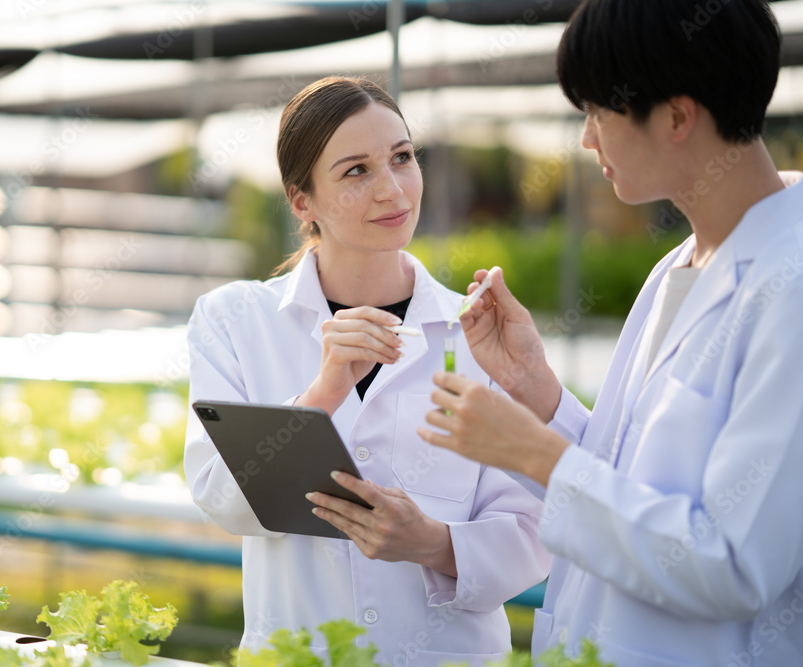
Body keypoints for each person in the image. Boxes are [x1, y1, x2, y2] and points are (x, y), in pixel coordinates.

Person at [418, 0, 803, 665]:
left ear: (679, 117)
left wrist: (534, 453)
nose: (586, 139)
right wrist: (537, 394)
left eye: (599, 112)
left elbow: (734, 562)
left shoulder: (790, 285)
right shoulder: (678, 266)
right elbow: (633, 480)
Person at [183, 76, 550, 666]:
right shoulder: (235, 321)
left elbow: (533, 527)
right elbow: (220, 498)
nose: (392, 190)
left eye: (402, 158)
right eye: (356, 171)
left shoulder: (477, 331)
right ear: (302, 201)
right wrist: (324, 391)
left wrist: (434, 543)